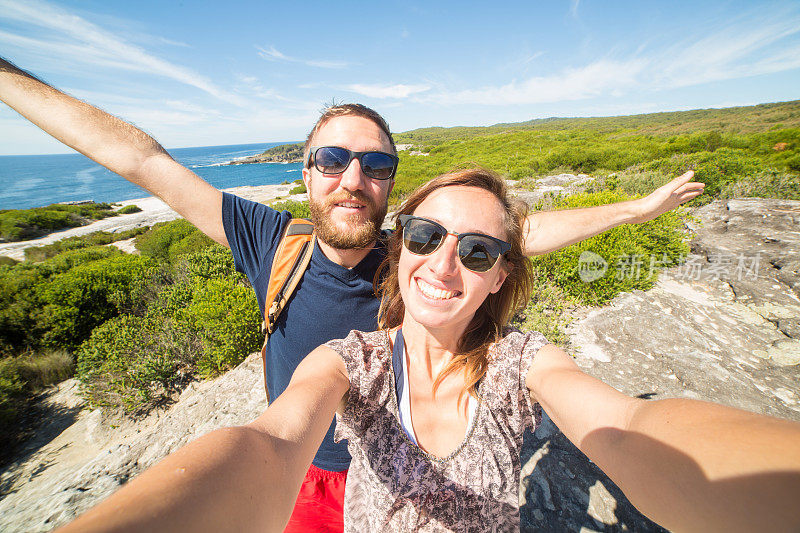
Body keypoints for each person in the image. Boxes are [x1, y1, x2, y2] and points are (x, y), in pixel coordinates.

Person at [0, 57, 706, 531]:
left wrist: (634, 211)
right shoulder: (269, 242)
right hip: (303, 470)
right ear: (306, 174)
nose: (352, 177)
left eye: (375, 164)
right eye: (331, 159)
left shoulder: (418, 252)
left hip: (405, 473)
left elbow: (520, 230)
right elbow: (140, 158)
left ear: (390, 182)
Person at [55, 169, 800, 533]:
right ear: (398, 245)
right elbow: (270, 442)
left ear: (501, 272)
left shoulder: (522, 363)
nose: (445, 264)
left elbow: (628, 428)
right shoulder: (354, 361)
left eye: (477, 251)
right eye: (424, 236)